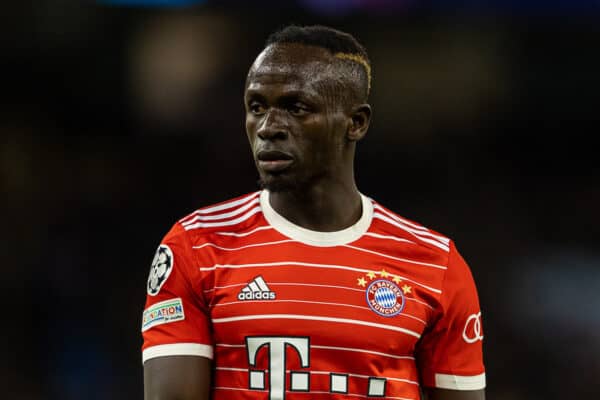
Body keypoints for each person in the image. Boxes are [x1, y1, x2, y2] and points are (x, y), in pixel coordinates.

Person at [141, 24, 486, 400]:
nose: (268, 128)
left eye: (296, 107)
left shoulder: (435, 266)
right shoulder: (197, 247)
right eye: (257, 106)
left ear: (356, 123)